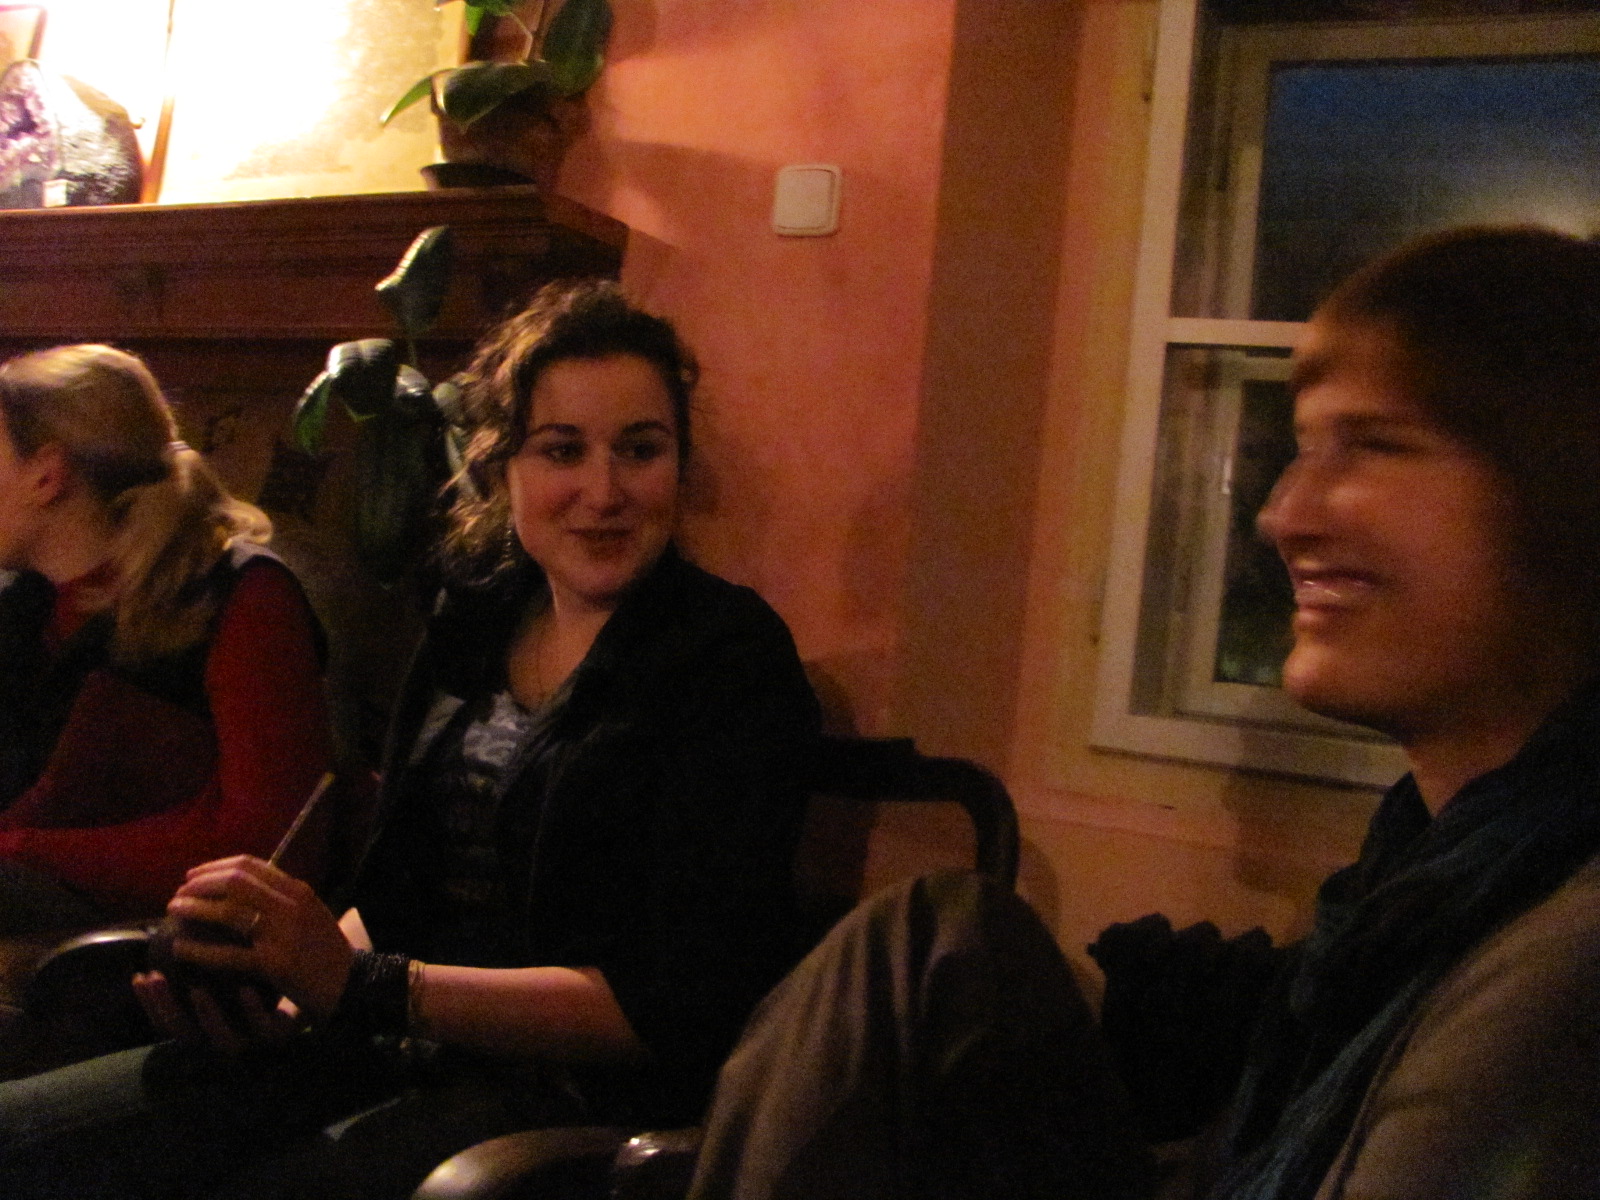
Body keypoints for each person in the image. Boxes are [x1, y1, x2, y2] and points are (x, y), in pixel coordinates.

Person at [685, 226, 1600, 1200]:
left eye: (1376, 445)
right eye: (1304, 449)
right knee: (930, 939)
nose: (1284, 514)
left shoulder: (1561, 972)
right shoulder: (1422, 873)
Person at [0, 281, 823, 1199]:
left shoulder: (727, 659)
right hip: (386, 1047)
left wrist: (370, 986)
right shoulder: (475, 622)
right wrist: (278, 985)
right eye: (562, 450)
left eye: (640, 449)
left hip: (566, 1103)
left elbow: (672, 1006)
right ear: (504, 465)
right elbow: (393, 899)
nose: (604, 491)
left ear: (678, 464)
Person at [0, 344, 333, 934]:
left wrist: (22, 849)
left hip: (160, 947)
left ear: (47, 475)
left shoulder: (240, 594)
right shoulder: (27, 605)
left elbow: (273, 848)